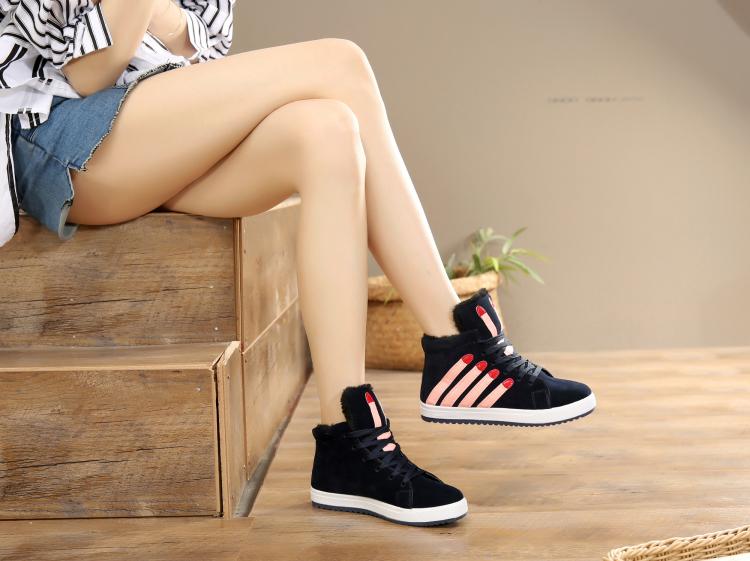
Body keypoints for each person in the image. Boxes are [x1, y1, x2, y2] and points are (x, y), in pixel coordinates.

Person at [1, 0, 596, 526]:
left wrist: (154, 19)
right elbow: (88, 71)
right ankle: (458, 342)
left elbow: (204, 43)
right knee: (340, 63)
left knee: (328, 130)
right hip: (58, 136)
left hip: (161, 125)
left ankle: (346, 441)